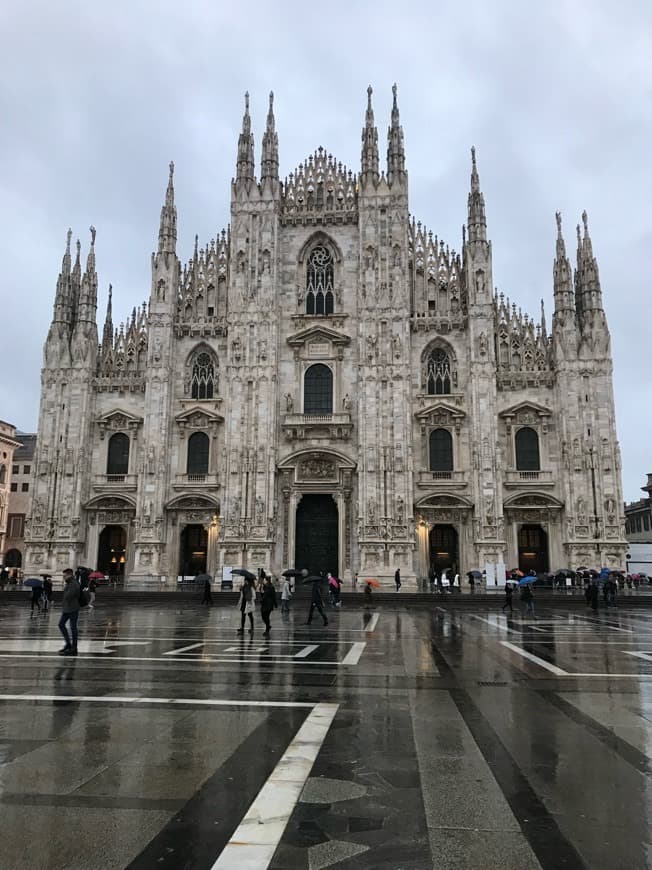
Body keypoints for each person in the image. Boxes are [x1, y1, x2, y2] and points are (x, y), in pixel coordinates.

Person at [59, 568, 81, 656]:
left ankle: (74, 648)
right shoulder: (70, 583)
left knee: (73, 628)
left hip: (72, 608)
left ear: (70, 575)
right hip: (68, 608)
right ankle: (68, 644)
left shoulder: (73, 584)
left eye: (65, 576)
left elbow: (69, 595)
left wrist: (66, 587)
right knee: (61, 624)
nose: (64, 578)